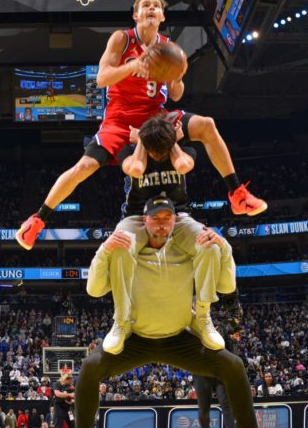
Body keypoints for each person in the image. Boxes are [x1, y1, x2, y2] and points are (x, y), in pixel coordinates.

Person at [15, 0, 267, 250]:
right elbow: (102, 78)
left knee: (207, 125)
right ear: (136, 15)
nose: (151, 8)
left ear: (162, 16)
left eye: (156, 6)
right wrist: (132, 66)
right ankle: (37, 220)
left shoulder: (169, 48)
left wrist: (177, 77)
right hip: (119, 118)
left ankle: (238, 195)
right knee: (85, 167)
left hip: (156, 116)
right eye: (145, 5)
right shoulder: (122, 40)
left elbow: (176, 95)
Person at [78, 196, 257, 428]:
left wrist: (225, 248)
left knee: (233, 366)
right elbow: (94, 289)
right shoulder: (126, 250)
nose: (161, 223)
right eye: (155, 218)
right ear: (144, 221)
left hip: (179, 338)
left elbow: (226, 286)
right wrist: (104, 250)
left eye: (167, 218)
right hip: (136, 337)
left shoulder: (190, 248)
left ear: (175, 221)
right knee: (90, 367)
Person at [102, 115, 240, 354]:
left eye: (161, 149)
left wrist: (174, 142)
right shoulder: (130, 153)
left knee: (210, 246)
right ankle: (121, 321)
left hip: (178, 216)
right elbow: (135, 169)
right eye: (153, 149)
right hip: (138, 217)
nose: (157, 155)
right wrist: (142, 143)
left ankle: (203, 316)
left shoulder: (181, 153)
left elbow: (184, 165)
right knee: (119, 248)